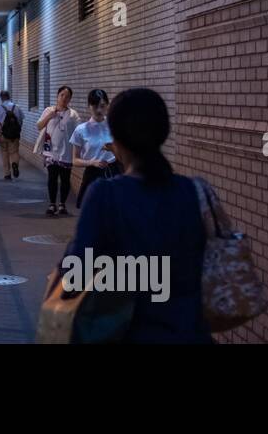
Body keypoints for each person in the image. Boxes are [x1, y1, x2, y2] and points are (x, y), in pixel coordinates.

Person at [62, 88, 210, 343]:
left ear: (116, 140)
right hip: (188, 331)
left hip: (127, 332)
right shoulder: (196, 192)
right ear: (163, 133)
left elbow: (75, 275)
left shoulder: (104, 196)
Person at [35, 85, 80, 215]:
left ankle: (62, 205)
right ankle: (52, 204)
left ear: (70, 99)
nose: (64, 98)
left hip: (66, 152)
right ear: (57, 96)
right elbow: (39, 126)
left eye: (67, 96)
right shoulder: (48, 110)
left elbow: (78, 132)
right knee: (52, 178)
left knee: (65, 179)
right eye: (62, 95)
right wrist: (50, 116)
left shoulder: (73, 114)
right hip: (50, 152)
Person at [70, 89, 118, 208]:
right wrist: (92, 162)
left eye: (102, 106)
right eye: (95, 106)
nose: (99, 110)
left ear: (107, 105)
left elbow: (126, 155)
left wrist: (113, 149)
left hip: (114, 171)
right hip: (93, 174)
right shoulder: (81, 130)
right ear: (89, 106)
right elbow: (74, 160)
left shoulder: (114, 126)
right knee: (93, 213)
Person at [0, 91, 25, 181]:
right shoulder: (17, 107)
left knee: (4, 153)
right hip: (14, 135)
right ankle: (15, 164)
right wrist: (17, 130)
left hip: (3, 135)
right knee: (14, 152)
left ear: (1, 98)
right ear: (9, 96)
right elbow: (20, 121)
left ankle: (7, 174)